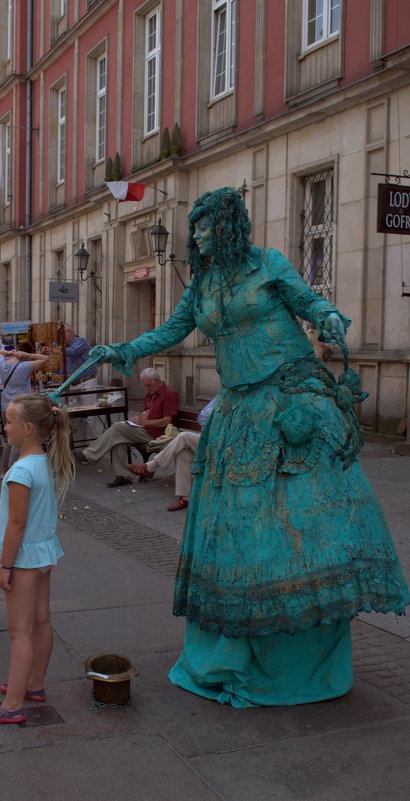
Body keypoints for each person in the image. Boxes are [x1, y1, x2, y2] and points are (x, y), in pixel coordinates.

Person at [90, 186, 409, 708]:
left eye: (207, 227)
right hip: (239, 410)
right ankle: (243, 637)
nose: (199, 236)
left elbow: (308, 302)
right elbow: (171, 330)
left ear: (230, 227)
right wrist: (123, 347)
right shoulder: (202, 285)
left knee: (299, 522)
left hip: (288, 399)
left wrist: (327, 317)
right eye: (195, 229)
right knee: (243, 527)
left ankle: (301, 641)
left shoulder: (269, 265)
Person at [0, 394, 74, 724]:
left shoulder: (20, 472)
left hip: (25, 559)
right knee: (41, 622)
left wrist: (5, 566)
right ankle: (34, 685)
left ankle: (12, 704)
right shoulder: (43, 462)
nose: (4, 427)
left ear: (28, 428)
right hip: (43, 553)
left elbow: (16, 524)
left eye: (9, 421)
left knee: (20, 632)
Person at [81, 367, 179, 488]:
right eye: (145, 386)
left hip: (158, 434)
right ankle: (123, 476)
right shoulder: (151, 393)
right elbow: (145, 413)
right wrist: (138, 420)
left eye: (148, 385)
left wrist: (145, 422)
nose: (147, 389)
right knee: (118, 440)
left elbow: (166, 421)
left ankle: (90, 454)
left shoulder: (169, 394)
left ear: (157, 380)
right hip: (145, 429)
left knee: (117, 428)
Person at [0, 343, 49, 475]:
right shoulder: (25, 366)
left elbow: (0, 353)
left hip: (5, 405)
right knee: (17, 441)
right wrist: (29, 355)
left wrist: (9, 353)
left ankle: (4, 470)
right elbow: (45, 359)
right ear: (25, 354)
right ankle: (11, 471)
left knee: (9, 440)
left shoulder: (3, 364)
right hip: (20, 406)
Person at [128, 430, 201, 511]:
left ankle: (151, 467)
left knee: (184, 436)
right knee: (182, 452)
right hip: (208, 440)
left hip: (215, 446)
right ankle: (185, 498)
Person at [64, 324, 99, 444]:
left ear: (69, 332)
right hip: (74, 385)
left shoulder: (80, 341)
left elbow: (73, 352)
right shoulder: (65, 348)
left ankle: (91, 450)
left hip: (87, 382)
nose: (60, 338)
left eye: (61, 334)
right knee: (75, 417)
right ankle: (80, 447)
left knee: (89, 416)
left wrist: (56, 349)